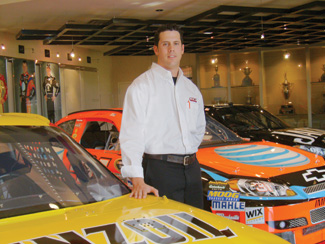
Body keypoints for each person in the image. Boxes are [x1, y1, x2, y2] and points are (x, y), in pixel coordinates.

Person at [119, 24, 206, 208]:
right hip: (160, 170)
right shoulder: (141, 86)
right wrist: (137, 179)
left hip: (192, 169)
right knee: (166, 231)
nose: (171, 49)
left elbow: (199, 129)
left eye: (176, 43)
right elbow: (131, 135)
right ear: (156, 49)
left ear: (182, 49)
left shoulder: (192, 90)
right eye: (166, 44)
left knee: (196, 228)